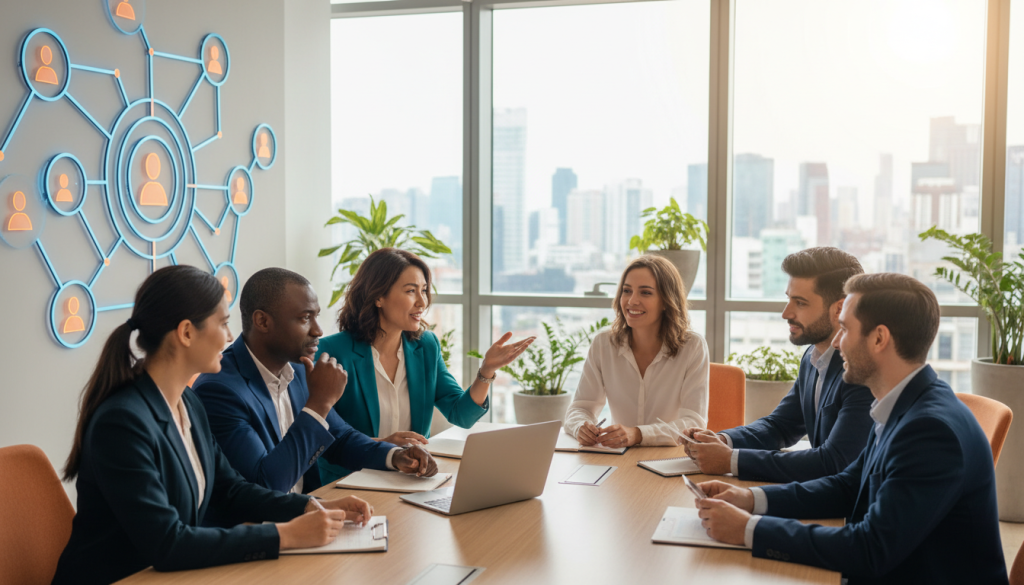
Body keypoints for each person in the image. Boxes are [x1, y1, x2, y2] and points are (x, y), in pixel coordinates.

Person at [53, 265, 375, 585]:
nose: (231, 336)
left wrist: (308, 506)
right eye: (223, 324)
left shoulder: (187, 403)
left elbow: (230, 488)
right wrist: (284, 535)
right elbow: (168, 543)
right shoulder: (122, 423)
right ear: (187, 333)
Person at [695, 273, 1008, 584]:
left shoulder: (929, 431)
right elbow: (847, 486)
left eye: (844, 328)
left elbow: (870, 549)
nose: (835, 341)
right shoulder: (901, 402)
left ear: (878, 338)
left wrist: (748, 529)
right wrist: (750, 500)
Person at [193, 267, 438, 498]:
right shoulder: (219, 390)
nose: (318, 331)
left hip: (307, 511)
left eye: (316, 317)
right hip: (261, 532)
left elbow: (341, 438)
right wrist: (318, 404)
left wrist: (396, 456)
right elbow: (265, 485)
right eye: (304, 318)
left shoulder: (298, 368)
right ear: (262, 321)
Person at [316, 248, 534, 484]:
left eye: (424, 290)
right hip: (349, 483)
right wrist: (385, 449)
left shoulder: (425, 346)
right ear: (378, 296)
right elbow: (321, 438)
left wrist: (487, 371)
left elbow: (461, 414)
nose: (422, 302)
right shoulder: (332, 353)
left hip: (412, 480)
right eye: (411, 291)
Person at [684, 247, 874, 482]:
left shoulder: (861, 373)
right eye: (788, 299)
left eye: (801, 303)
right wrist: (721, 441)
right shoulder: (813, 357)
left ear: (840, 308)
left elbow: (834, 462)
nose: (786, 313)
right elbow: (780, 426)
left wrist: (730, 460)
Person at [563, 255, 709, 448]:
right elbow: (581, 407)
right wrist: (581, 427)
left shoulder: (693, 347)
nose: (632, 301)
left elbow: (693, 422)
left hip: (667, 458)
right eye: (626, 291)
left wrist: (638, 434)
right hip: (620, 458)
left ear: (666, 301)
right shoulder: (603, 344)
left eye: (645, 293)